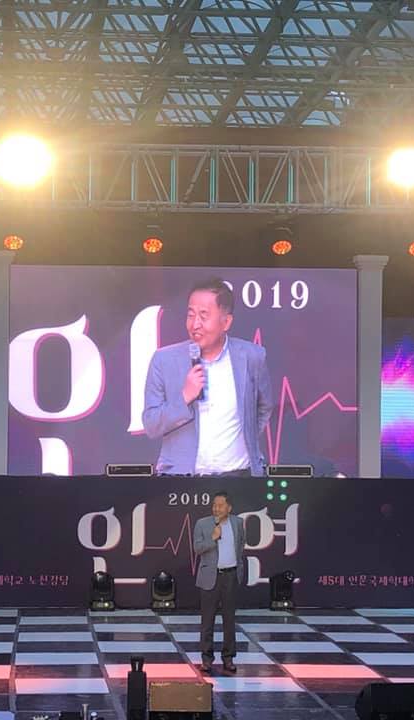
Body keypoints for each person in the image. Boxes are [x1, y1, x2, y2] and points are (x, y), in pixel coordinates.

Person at [142, 277, 273, 476]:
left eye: (203, 316)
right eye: (191, 315)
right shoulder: (164, 360)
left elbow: (264, 408)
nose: (195, 324)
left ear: (226, 322)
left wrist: (245, 438)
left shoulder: (252, 357)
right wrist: (185, 396)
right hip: (181, 479)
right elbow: (151, 425)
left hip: (239, 476)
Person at [192, 490, 245, 673]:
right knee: (207, 621)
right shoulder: (202, 524)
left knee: (229, 620)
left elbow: (241, 545)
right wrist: (212, 539)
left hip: (230, 576)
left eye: (220, 505)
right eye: (214, 505)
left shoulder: (238, 523)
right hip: (210, 577)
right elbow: (197, 548)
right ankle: (206, 659)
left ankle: (228, 658)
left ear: (229, 508)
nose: (216, 508)